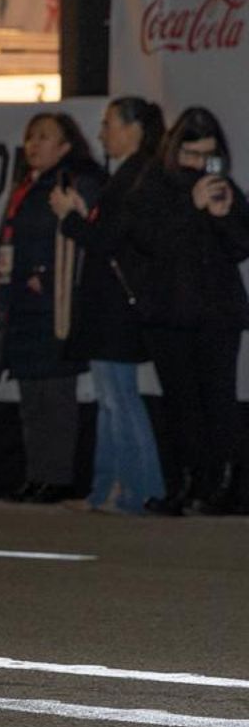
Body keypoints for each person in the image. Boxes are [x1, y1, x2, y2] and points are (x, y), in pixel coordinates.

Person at [124, 107, 249, 515]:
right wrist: (189, 209)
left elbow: (240, 248)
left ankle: (225, 486)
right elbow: (145, 241)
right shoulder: (153, 186)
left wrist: (224, 216)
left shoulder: (222, 186)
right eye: (190, 155)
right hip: (169, 314)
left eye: (207, 156)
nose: (198, 164)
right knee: (181, 403)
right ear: (174, 150)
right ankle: (186, 483)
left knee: (219, 401)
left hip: (217, 313)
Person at [49, 97, 167, 514]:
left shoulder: (139, 177)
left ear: (133, 129)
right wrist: (82, 216)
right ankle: (109, 490)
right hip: (108, 307)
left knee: (120, 399)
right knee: (111, 399)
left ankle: (138, 490)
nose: (102, 133)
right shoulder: (129, 177)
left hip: (116, 308)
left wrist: (70, 218)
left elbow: (110, 240)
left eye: (109, 124)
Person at [0, 112, 102, 503]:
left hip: (55, 306)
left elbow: (84, 243)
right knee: (32, 398)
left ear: (66, 146)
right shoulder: (25, 186)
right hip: (20, 307)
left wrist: (48, 276)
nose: (33, 144)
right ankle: (37, 474)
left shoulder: (75, 183)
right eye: (31, 136)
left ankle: (58, 478)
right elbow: (5, 239)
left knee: (56, 397)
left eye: (44, 137)